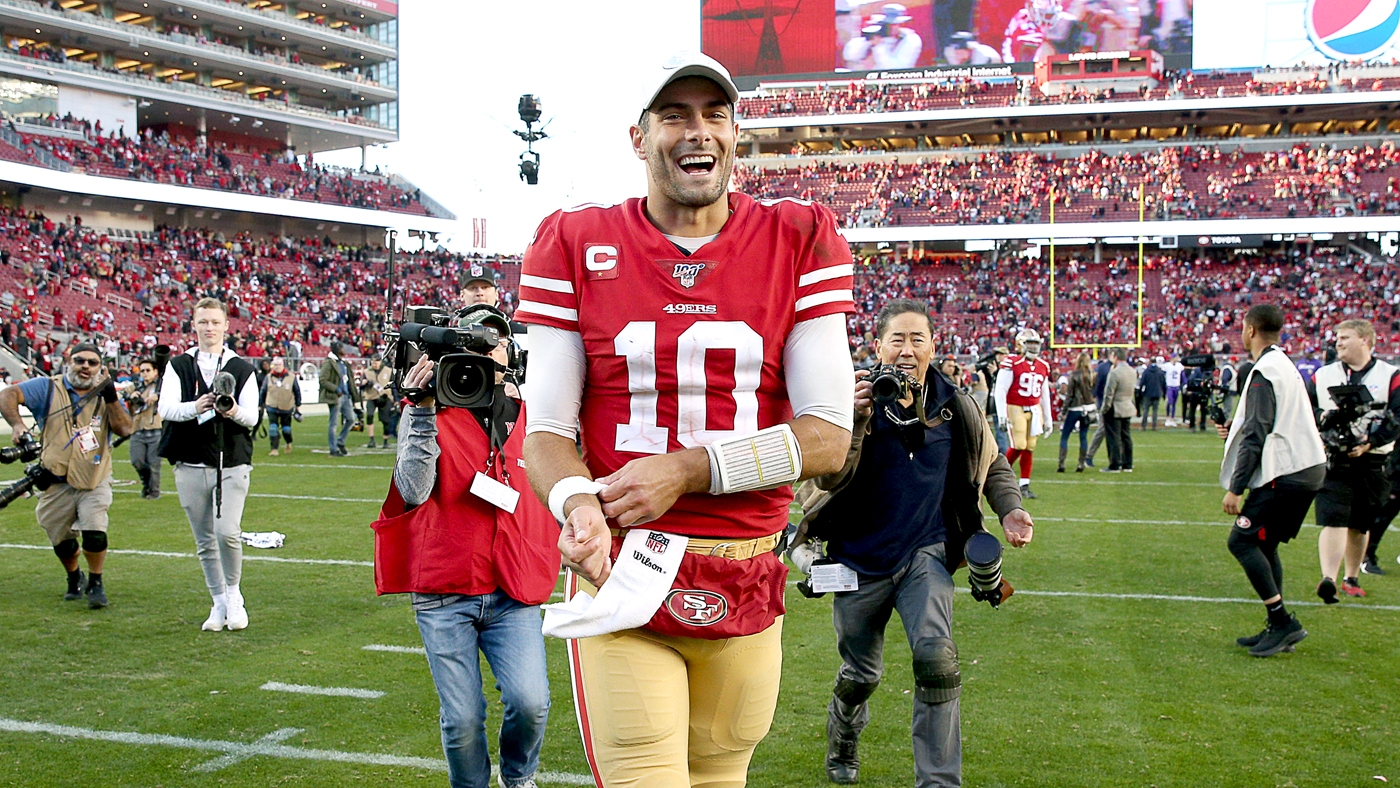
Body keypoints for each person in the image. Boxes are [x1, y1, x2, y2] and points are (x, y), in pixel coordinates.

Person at [516, 51, 857, 787]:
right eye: (673, 114)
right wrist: (577, 504)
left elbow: (828, 437)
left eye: (714, 114)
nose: (696, 131)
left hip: (746, 569)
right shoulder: (575, 242)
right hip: (625, 570)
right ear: (638, 138)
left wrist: (687, 469)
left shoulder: (797, 237)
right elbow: (544, 429)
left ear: (737, 134)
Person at [788, 299, 1032, 787]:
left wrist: (1010, 508)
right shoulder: (842, 401)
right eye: (896, 338)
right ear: (877, 346)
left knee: (936, 660)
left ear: (933, 346)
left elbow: (992, 461)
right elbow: (817, 480)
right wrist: (852, 421)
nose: (906, 349)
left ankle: (939, 782)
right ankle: (844, 732)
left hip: (928, 553)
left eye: (916, 339)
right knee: (861, 676)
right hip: (857, 558)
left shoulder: (955, 402)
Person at [371, 306, 555, 788]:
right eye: (471, 340)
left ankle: (519, 778)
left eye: (492, 339)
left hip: (512, 585)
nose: (482, 350)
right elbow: (413, 490)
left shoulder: (532, 411)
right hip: (445, 586)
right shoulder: (430, 404)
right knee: (462, 719)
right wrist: (423, 409)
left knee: (531, 702)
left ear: (510, 349)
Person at [1217, 305, 1327, 657]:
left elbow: (1257, 432)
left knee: (1242, 541)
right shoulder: (1284, 364)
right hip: (1305, 467)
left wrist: (1236, 487)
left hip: (1287, 473)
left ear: (1250, 329)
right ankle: (1277, 626)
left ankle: (1282, 622)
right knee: (1265, 545)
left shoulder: (1264, 369)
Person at [0, 343, 133, 608]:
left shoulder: (107, 395)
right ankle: (74, 576)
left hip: (94, 476)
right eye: (79, 361)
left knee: (95, 531)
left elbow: (125, 429)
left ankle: (96, 581)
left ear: (100, 368)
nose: (85, 366)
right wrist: (17, 424)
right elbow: (8, 394)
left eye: (92, 363)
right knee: (61, 542)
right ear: (68, 363)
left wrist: (111, 397)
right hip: (53, 479)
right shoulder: (48, 387)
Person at [158, 298, 261, 631]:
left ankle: (234, 596)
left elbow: (252, 416)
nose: (209, 328)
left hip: (231, 460)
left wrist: (229, 411)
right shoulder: (178, 365)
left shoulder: (242, 368)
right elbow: (166, 409)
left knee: (227, 532)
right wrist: (195, 406)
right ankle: (217, 602)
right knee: (204, 540)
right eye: (203, 322)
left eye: (215, 322)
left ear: (226, 326)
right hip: (189, 460)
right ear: (193, 325)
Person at [1312, 319, 1400, 602]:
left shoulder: (1390, 375)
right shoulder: (1323, 374)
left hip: (1372, 461)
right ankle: (1328, 578)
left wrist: (1371, 442)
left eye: (1345, 337)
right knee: (1333, 517)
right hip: (1334, 459)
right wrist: (1323, 424)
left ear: (1365, 340)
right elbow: (1306, 407)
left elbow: (1398, 417)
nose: (1338, 342)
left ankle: (1351, 576)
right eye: (1337, 337)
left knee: (1360, 523)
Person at [993, 328, 1052, 499]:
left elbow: (1045, 395)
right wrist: (1002, 414)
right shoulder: (1012, 362)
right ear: (1020, 344)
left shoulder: (1043, 365)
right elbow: (1001, 390)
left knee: (1030, 447)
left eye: (1036, 343)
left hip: (1034, 409)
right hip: (1015, 407)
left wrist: (1048, 419)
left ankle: (1024, 484)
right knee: (1019, 444)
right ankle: (999, 473)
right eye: (1030, 343)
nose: (1033, 347)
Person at [125, 357, 164, 499]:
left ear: (155, 372)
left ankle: (153, 492)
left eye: (148, 370)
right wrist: (131, 395)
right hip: (137, 428)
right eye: (142, 371)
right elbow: (121, 393)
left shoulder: (161, 386)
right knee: (137, 461)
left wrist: (158, 396)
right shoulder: (135, 386)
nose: (145, 373)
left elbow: (172, 396)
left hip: (155, 428)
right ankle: (146, 483)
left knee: (154, 464)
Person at [1058, 351, 1095, 472]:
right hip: (1088, 409)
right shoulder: (1092, 375)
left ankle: (1062, 464)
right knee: (1083, 436)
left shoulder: (1074, 375)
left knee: (1065, 436)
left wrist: (1063, 411)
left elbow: (1070, 395)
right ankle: (1081, 464)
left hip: (1075, 408)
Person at [1101, 347, 1137, 473]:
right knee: (1126, 436)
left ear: (1116, 357)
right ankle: (1128, 463)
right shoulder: (1132, 371)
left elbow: (1109, 393)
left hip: (1115, 407)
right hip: (1127, 406)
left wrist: (1104, 409)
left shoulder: (1115, 373)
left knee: (1114, 437)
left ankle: (1115, 464)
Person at [260, 356, 301, 456]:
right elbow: (263, 391)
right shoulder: (269, 377)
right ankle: (274, 449)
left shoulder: (291, 377)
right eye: (276, 365)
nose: (277, 367)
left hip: (286, 407)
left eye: (279, 365)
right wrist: (260, 404)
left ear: (283, 365)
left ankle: (288, 442)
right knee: (273, 428)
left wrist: (298, 405)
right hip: (272, 406)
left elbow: (297, 391)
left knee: (286, 429)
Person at [320, 341, 354, 457]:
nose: (344, 350)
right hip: (336, 396)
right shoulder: (329, 363)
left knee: (351, 419)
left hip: (345, 395)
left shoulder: (343, 363)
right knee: (333, 423)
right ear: (338, 350)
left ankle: (340, 441)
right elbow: (323, 379)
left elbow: (348, 380)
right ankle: (333, 448)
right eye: (342, 348)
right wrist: (336, 389)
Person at [361, 355, 395, 450]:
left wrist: (395, 399)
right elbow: (362, 386)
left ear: (380, 362)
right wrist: (365, 384)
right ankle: (371, 439)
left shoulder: (388, 370)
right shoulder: (367, 372)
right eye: (373, 363)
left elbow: (393, 384)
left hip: (385, 397)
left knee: (385, 420)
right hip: (371, 397)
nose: (374, 365)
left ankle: (385, 440)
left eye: (376, 362)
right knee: (369, 415)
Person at [1138, 357, 1166, 430]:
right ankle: (1154, 426)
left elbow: (1142, 383)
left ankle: (1144, 426)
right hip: (1157, 393)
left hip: (1148, 393)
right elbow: (1164, 384)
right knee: (1155, 410)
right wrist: (1164, 394)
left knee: (1146, 410)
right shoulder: (1160, 372)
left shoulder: (1146, 371)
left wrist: (1140, 392)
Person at [1162, 353, 1184, 427]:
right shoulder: (1166, 366)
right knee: (1169, 401)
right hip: (1169, 386)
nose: (1177, 358)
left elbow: (1182, 375)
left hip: (1176, 386)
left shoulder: (1179, 366)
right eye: (1176, 357)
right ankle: (1168, 417)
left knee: (1174, 403)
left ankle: (1172, 418)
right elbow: (1162, 374)